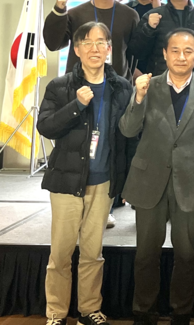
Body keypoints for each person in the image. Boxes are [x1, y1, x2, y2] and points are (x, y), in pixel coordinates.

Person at [120, 28, 194, 325]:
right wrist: (138, 97)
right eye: (175, 50)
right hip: (149, 180)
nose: (181, 56)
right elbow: (128, 129)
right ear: (164, 54)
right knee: (145, 254)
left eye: (188, 51)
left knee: (187, 255)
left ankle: (181, 313)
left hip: (191, 182)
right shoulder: (146, 86)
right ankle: (143, 311)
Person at [37, 22, 133, 325]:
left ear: (109, 49)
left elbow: (127, 136)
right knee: (61, 254)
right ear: (77, 50)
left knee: (93, 253)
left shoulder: (122, 87)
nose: (95, 48)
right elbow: (46, 127)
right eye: (87, 43)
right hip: (67, 181)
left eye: (101, 42)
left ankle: (90, 310)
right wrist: (76, 105)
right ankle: (56, 313)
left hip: (103, 183)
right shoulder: (60, 86)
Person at [43, 0, 140, 82]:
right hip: (79, 83)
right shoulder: (76, 14)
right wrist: (58, 12)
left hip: (116, 85)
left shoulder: (130, 15)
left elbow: (134, 54)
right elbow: (54, 44)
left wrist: (125, 80)